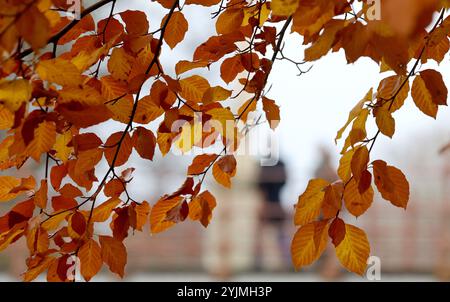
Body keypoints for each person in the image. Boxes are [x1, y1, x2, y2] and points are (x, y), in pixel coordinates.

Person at [255, 159, 288, 271]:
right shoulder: (268, 163)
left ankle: (281, 261)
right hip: (271, 204)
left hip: (273, 204)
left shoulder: (266, 163)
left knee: (277, 235)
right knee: (270, 235)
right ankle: (270, 261)